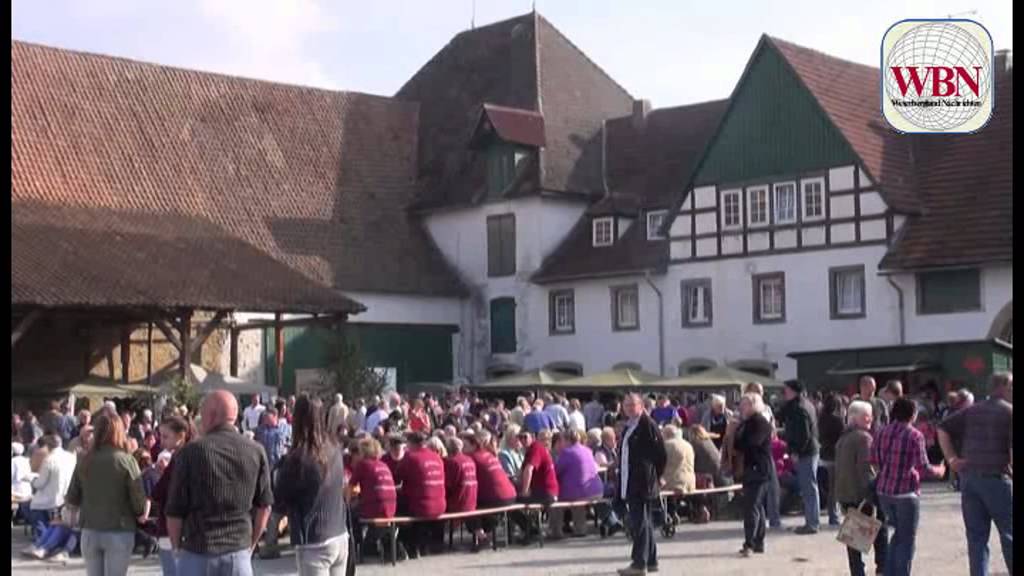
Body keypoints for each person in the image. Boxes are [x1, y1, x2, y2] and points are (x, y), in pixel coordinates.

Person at [166, 391, 274, 576]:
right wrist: (251, 544)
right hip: (237, 550)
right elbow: (264, 506)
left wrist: (176, 549)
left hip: (197, 551)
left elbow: (174, 510)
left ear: (211, 415)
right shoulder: (256, 451)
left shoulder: (190, 453)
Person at [937, 372, 1013, 576]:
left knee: (977, 539)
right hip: (997, 479)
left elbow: (942, 429)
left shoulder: (972, 411)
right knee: (1009, 535)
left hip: (970, 480)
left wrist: (952, 459)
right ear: (1004, 387)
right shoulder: (1009, 412)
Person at [273, 395, 350, 575]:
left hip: (314, 540)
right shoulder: (334, 447)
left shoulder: (298, 458)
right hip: (339, 532)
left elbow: (280, 498)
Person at [64, 409, 147, 576]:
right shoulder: (126, 460)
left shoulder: (85, 460)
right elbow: (138, 498)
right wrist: (140, 513)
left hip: (90, 528)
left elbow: (72, 497)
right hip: (119, 528)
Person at [872, 397, 946, 576]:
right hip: (906, 492)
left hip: (884, 490)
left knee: (898, 535)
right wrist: (940, 470)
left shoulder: (881, 432)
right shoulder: (915, 435)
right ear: (912, 414)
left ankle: (889, 572)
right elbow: (923, 467)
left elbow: (873, 460)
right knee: (906, 540)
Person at [835, 400, 888, 576]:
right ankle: (882, 568)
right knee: (880, 529)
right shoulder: (864, 438)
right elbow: (866, 469)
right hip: (862, 493)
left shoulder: (843, 438)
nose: (871, 419)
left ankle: (857, 572)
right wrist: (872, 493)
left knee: (853, 540)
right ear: (857, 418)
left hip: (846, 494)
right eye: (868, 416)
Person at [616, 392, 666, 576]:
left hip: (642, 482)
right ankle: (651, 560)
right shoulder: (629, 426)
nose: (628, 408)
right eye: (626, 405)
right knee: (644, 522)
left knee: (640, 523)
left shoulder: (647, 425)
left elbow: (661, 454)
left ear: (641, 405)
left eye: (632, 405)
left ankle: (639, 563)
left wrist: (655, 475)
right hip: (630, 480)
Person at [150, 416, 192, 576]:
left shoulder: (180, 459)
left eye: (166, 436)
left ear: (181, 436)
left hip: (172, 527)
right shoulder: (179, 457)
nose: (161, 441)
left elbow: (159, 493)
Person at [778, 379, 821, 534]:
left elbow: (804, 434)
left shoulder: (799, 408)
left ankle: (812, 523)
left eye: (786, 390)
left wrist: (796, 451)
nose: (784, 393)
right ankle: (812, 521)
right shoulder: (805, 404)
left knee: (809, 487)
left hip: (805, 452)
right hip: (810, 450)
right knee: (809, 487)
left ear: (793, 391)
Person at [395, 432, 446, 558]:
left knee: (398, 506)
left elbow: (397, 476)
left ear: (411, 443)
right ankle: (423, 545)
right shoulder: (437, 457)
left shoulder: (411, 457)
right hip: (440, 505)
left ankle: (407, 545)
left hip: (420, 506)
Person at [734, 393, 773, 557]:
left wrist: (740, 437)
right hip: (750, 467)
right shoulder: (747, 423)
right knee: (756, 506)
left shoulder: (760, 423)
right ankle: (758, 542)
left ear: (752, 405)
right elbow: (737, 444)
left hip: (759, 468)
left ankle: (750, 542)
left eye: (744, 405)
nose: (741, 408)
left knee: (752, 506)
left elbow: (751, 443)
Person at [347, 437, 398, 559]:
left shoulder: (363, 465)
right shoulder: (383, 465)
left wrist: (348, 500)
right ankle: (371, 545)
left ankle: (357, 547)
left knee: (350, 513)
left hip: (375, 507)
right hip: (391, 507)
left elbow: (350, 487)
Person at [465, 430, 517, 548]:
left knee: (467, 505)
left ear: (474, 445)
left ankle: (481, 535)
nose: (463, 449)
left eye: (465, 446)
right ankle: (487, 534)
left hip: (497, 498)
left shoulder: (472, 458)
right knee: (480, 503)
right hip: (510, 496)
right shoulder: (489, 454)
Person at [551, 429, 604, 539]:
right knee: (576, 496)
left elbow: (556, 471)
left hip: (580, 493)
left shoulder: (566, 453)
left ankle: (556, 531)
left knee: (555, 501)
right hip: (596, 490)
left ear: (567, 440)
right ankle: (580, 529)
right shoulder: (588, 450)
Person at [28, 434, 77, 539]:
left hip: (51, 498)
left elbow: (40, 484)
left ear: (48, 446)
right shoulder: (71, 457)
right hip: (66, 496)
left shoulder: (49, 459)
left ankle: (42, 536)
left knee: (33, 506)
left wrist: (32, 480)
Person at [818, 392, 844, 527]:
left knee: (829, 487)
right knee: (834, 488)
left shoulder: (821, 418)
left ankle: (832, 514)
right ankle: (834, 515)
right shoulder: (838, 420)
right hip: (836, 455)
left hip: (824, 454)